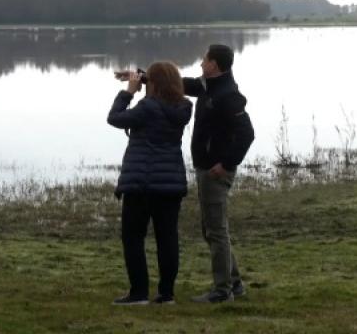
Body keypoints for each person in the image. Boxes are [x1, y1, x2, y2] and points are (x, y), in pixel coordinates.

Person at [107, 62, 193, 305]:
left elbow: (115, 118)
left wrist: (128, 92)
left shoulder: (147, 107)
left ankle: (139, 293)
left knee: (133, 237)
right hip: (170, 183)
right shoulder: (184, 107)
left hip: (141, 184)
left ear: (153, 85)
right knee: (167, 238)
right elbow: (166, 90)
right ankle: (166, 294)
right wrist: (145, 78)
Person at [183, 44, 255, 303]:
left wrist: (226, 164)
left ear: (214, 64)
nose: (201, 63)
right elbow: (183, 85)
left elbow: (247, 134)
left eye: (204, 59)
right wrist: (146, 78)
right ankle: (234, 285)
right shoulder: (208, 87)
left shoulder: (228, 95)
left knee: (216, 231)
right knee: (211, 230)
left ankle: (222, 291)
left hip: (215, 172)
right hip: (205, 169)